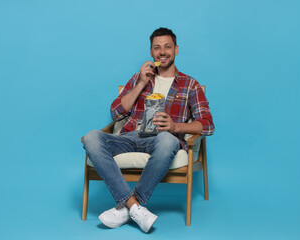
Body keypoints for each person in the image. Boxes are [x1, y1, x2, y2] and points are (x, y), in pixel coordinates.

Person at [82, 27, 215, 233]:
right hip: (129, 137)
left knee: (169, 140)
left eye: (167, 47)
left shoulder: (190, 85)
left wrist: (175, 127)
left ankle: (126, 208)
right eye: (157, 48)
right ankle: (135, 208)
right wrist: (142, 83)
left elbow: (207, 124)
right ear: (152, 52)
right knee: (91, 137)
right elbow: (116, 113)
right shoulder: (139, 78)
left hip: (162, 141)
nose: (162, 52)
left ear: (176, 50)